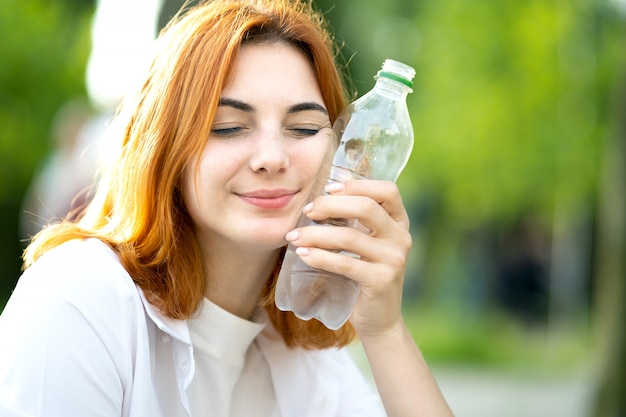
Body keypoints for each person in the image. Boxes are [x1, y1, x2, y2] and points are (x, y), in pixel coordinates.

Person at [0, 1, 453, 416]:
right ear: (164, 148)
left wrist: (385, 331)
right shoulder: (79, 300)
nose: (272, 158)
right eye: (229, 127)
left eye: (303, 127)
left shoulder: (305, 356)